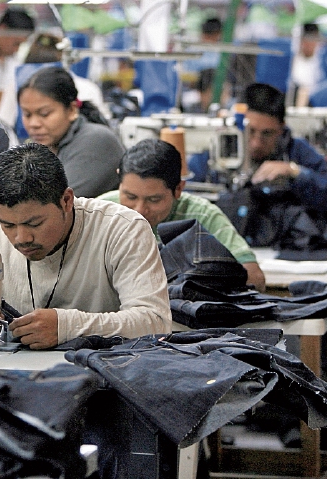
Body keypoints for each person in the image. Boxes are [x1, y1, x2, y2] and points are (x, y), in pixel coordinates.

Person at [0, 142, 171, 349]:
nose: (21, 238)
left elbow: (155, 322)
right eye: (8, 225)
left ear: (67, 200)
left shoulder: (123, 229)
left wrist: (69, 327)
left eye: (34, 223)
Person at [97, 138, 267, 292]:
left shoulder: (202, 215)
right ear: (119, 179)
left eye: (154, 199)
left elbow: (255, 278)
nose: (139, 210)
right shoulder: (100, 212)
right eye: (130, 197)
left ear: (178, 189)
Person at [18, 66, 125, 197]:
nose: (34, 124)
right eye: (27, 114)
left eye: (44, 114)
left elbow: (53, 203)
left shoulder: (95, 141)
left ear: (72, 110)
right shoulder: (42, 147)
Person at [245, 82, 327, 210]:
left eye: (266, 134)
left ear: (281, 129)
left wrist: (294, 172)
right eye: (250, 131)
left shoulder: (296, 150)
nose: (256, 143)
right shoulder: (222, 150)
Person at [0, 6, 36, 130]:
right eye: (16, 43)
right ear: (2, 30)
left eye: (21, 45)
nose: (16, 49)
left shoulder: (15, 65)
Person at [291, 23, 323, 106]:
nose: (309, 44)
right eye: (305, 40)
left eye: (313, 40)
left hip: (317, 96)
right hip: (297, 94)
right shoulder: (294, 58)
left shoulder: (321, 58)